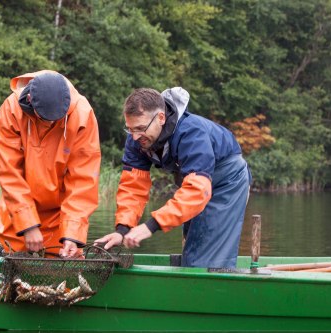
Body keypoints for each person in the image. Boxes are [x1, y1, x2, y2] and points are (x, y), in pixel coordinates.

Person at [95, 87, 251, 268]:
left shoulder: (191, 132)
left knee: (205, 260)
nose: (135, 136)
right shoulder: (136, 139)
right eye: (130, 129)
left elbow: (197, 190)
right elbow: (133, 187)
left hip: (227, 181)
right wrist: (122, 230)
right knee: (192, 247)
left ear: (161, 118)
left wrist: (151, 226)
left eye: (140, 128)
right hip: (194, 182)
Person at [0, 70, 101, 258]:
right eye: (46, 118)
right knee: (15, 276)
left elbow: (83, 181)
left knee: (65, 278)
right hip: (18, 212)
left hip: (60, 216)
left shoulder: (83, 115)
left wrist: (72, 235)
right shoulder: (10, 110)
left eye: (56, 119)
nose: (51, 123)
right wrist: (28, 224)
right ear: (29, 101)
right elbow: (9, 173)